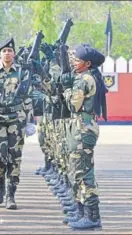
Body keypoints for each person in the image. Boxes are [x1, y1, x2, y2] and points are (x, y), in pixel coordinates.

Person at [0, 38, 36, 210]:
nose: (7, 53)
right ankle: (0, 187)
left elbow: (28, 96)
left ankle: (11, 195)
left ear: (14, 53)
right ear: (0, 53)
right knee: (0, 155)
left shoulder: (21, 72)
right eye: (4, 50)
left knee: (15, 156)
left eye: (10, 50)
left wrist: (30, 121)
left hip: (16, 118)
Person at [60, 44, 106, 230]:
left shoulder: (83, 80)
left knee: (84, 174)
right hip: (81, 127)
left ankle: (92, 216)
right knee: (77, 172)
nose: (74, 63)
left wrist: (65, 89)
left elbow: (73, 106)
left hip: (83, 128)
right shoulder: (86, 76)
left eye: (77, 61)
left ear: (87, 63)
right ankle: (81, 212)